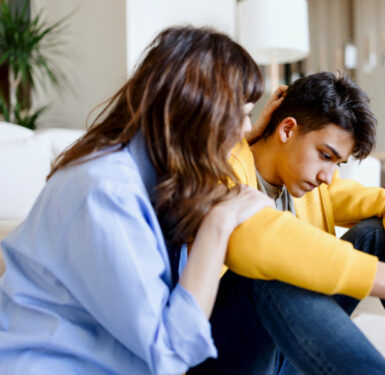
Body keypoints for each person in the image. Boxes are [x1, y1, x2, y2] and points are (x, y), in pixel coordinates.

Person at [0, 26, 274, 374]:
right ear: (197, 110)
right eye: (240, 111)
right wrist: (218, 225)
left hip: (123, 358)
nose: (244, 129)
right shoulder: (104, 191)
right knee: (266, 289)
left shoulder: (157, 179)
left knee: (268, 282)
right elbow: (169, 354)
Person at [190, 73, 385, 374]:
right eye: (324, 155)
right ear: (287, 130)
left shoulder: (315, 186)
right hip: (231, 357)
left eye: (336, 163)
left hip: (294, 349)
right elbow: (261, 242)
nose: (328, 175)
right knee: (266, 269)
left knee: (379, 233)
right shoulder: (223, 172)